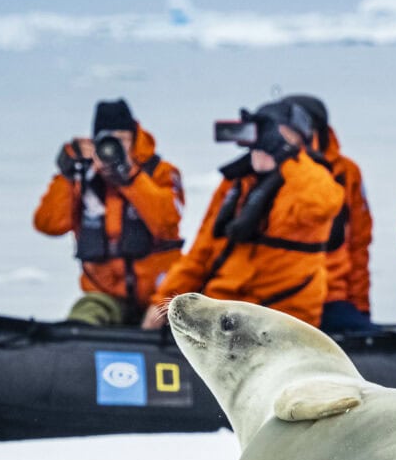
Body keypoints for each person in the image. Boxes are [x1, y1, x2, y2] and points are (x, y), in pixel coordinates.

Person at [142, 99, 344, 329]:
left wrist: (285, 155)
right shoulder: (236, 185)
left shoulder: (308, 181)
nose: (261, 146)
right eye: (258, 137)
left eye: (273, 136)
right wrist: (162, 303)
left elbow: (321, 203)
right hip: (223, 314)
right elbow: (200, 254)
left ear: (297, 140)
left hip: (281, 322)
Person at [34, 98, 185, 326]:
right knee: (85, 315)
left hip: (162, 295)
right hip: (105, 294)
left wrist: (130, 177)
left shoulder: (161, 173)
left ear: (134, 138)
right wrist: (66, 174)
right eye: (108, 141)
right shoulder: (84, 179)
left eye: (122, 139)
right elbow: (49, 224)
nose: (114, 148)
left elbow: (167, 220)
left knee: (185, 321)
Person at [282, 93, 376, 334]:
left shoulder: (347, 173)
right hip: (282, 298)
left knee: (364, 334)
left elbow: (359, 244)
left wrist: (361, 305)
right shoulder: (270, 170)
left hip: (332, 297)